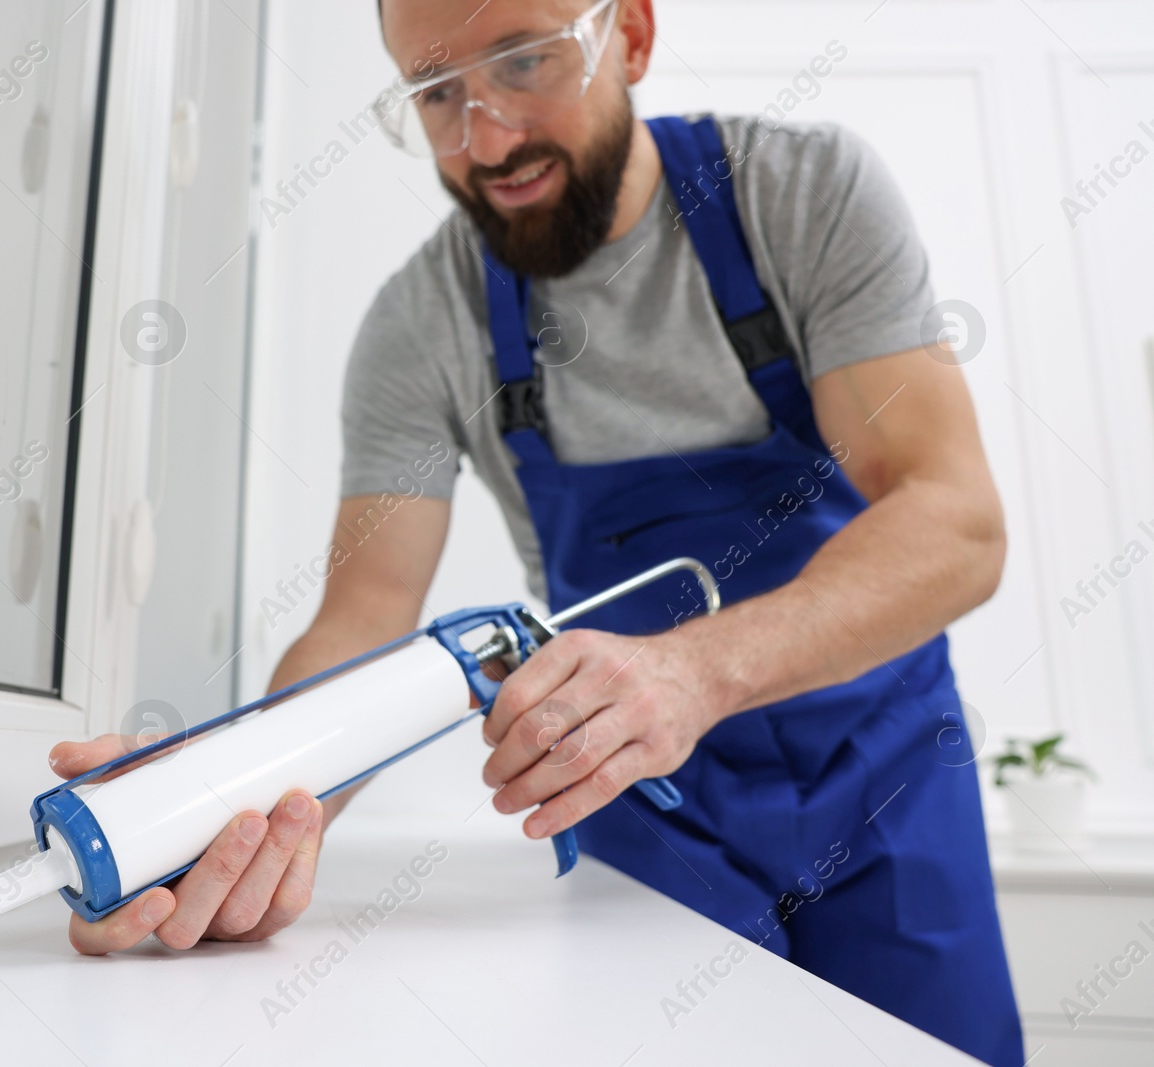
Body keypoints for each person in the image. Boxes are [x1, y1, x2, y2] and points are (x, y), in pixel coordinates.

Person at [51, 2, 1023, 1064]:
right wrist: (216, 803)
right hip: (637, 802)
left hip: (887, 777)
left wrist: (698, 672)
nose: (487, 137)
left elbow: (954, 520)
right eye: (434, 92)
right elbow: (363, 616)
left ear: (633, 38)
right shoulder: (422, 326)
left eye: (524, 60)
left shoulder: (801, 194)